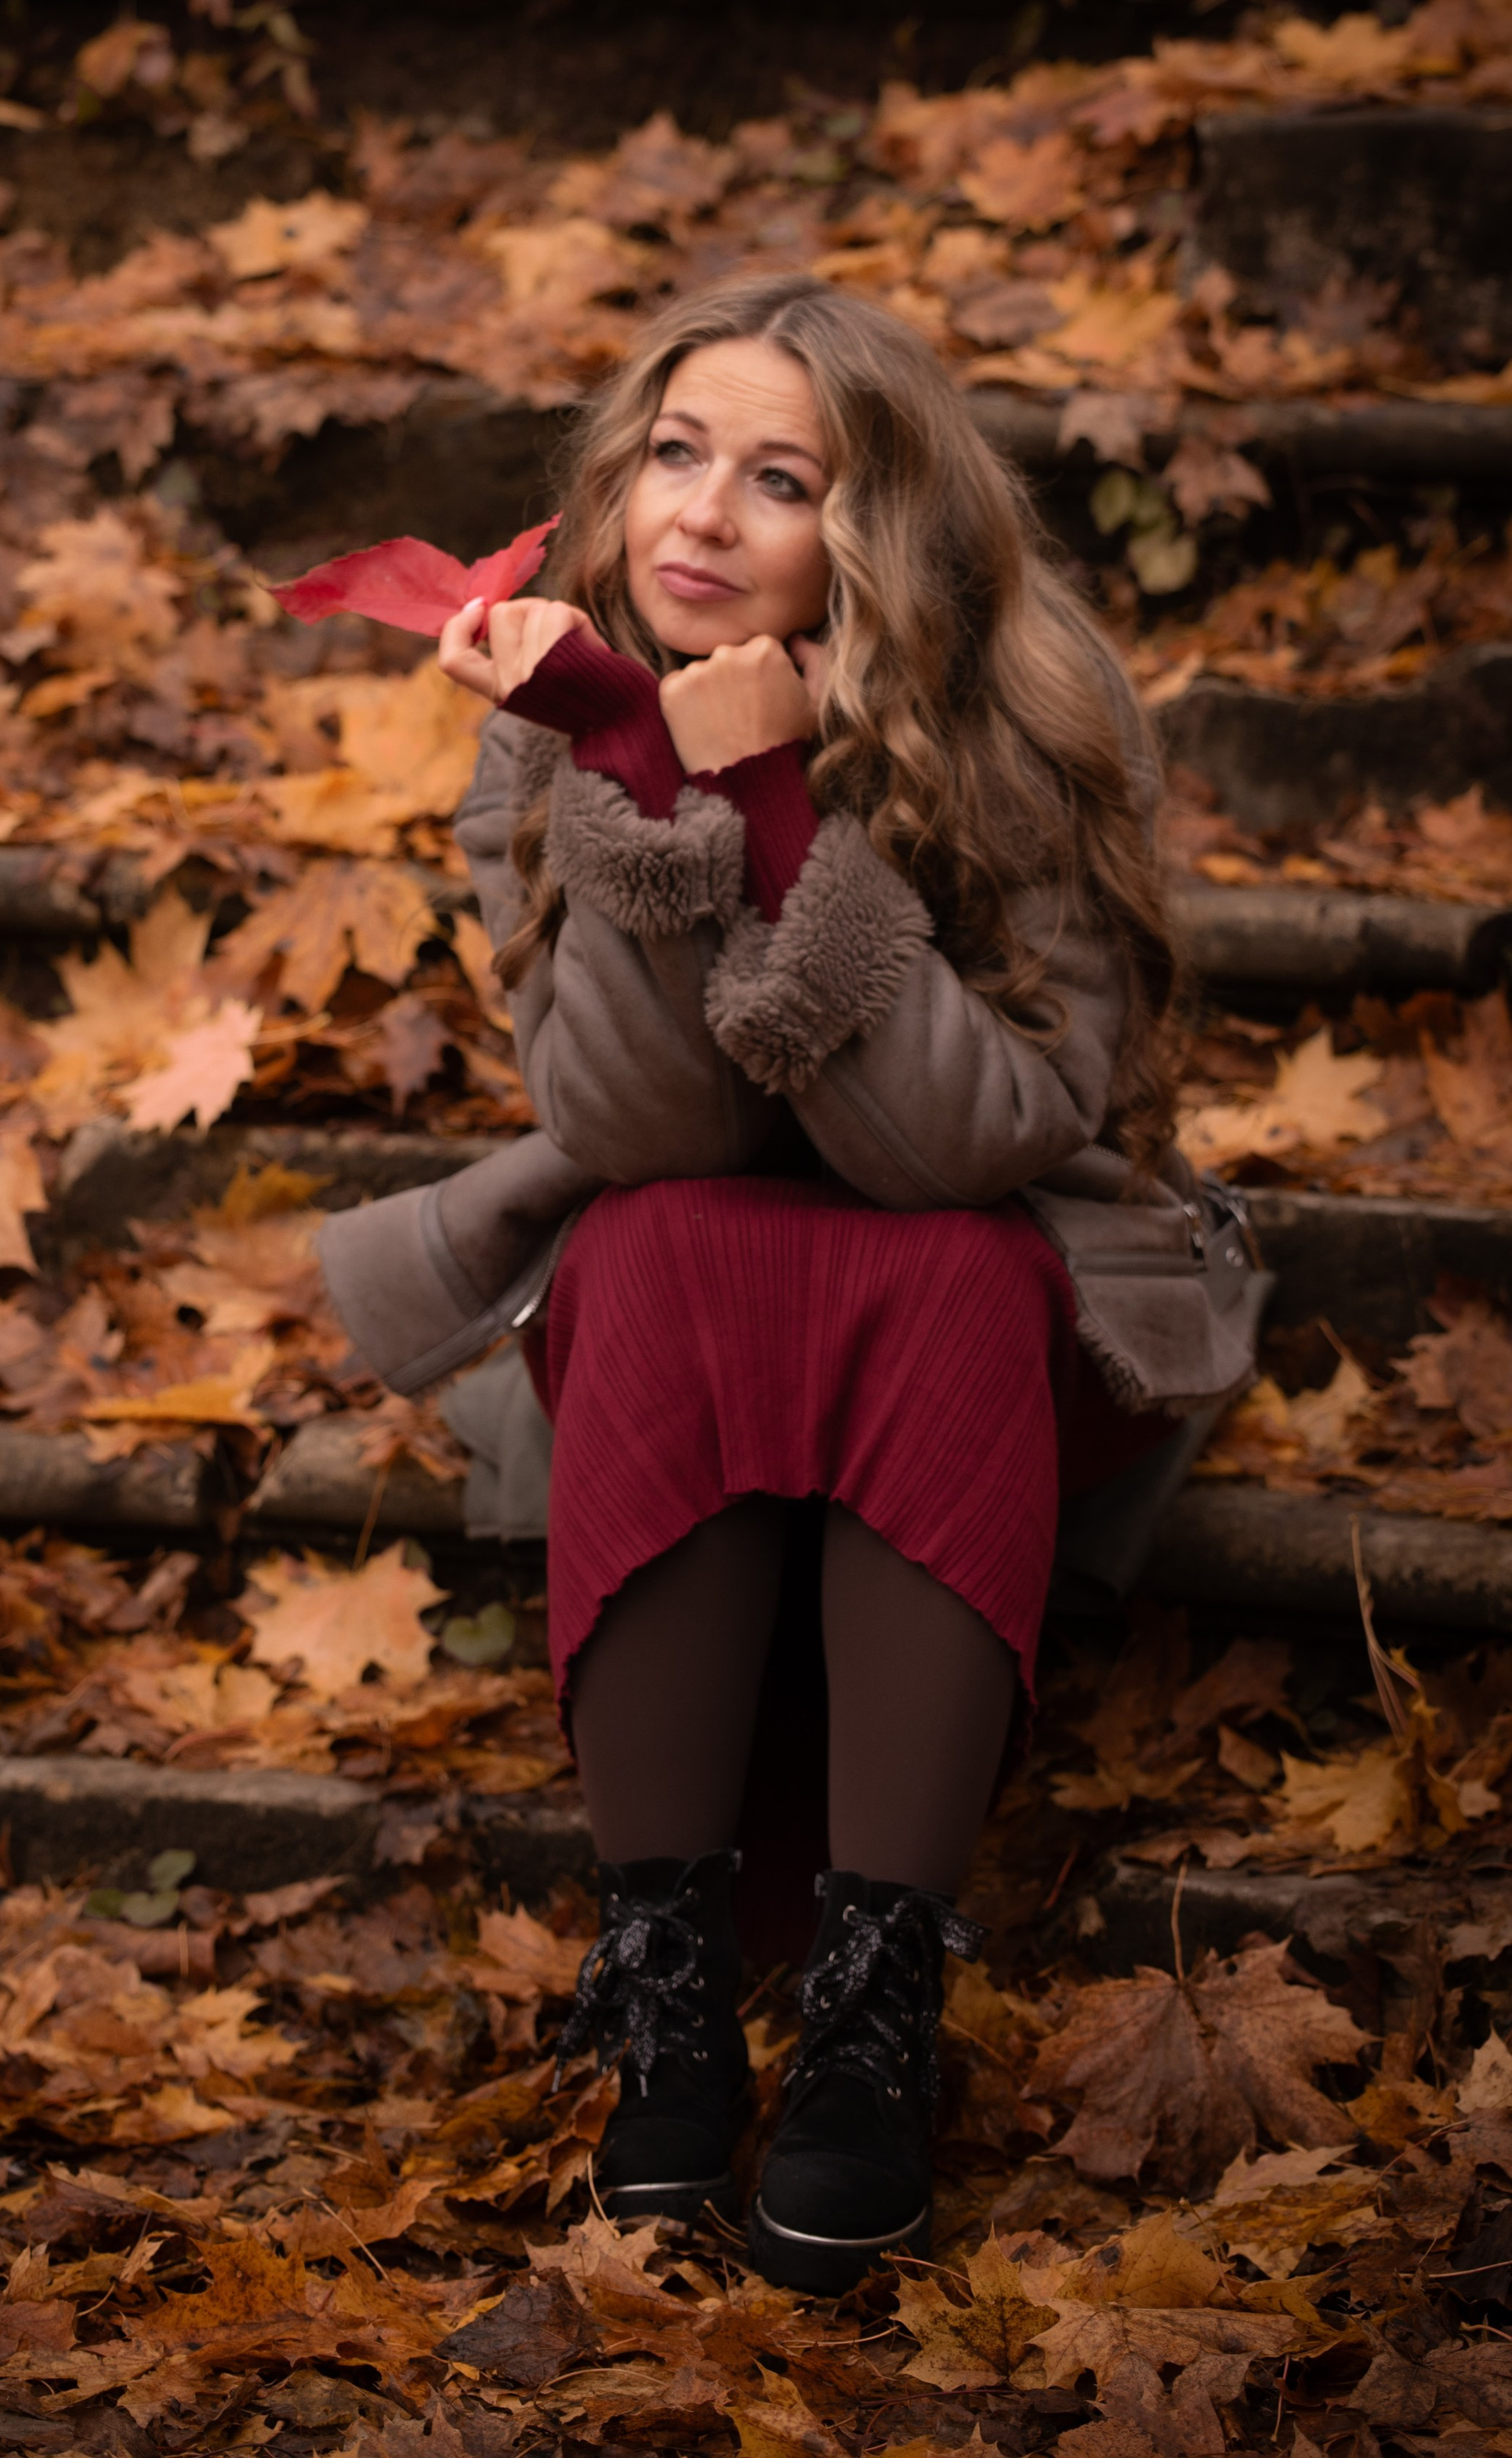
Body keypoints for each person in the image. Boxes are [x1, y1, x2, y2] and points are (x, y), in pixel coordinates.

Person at [317, 274, 1259, 2295]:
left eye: (780, 478)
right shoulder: (561, 719)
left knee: (918, 1273)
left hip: (1011, 1294)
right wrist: (647, 786)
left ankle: (869, 2019)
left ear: (885, 526)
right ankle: (663, 1995)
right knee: (653, 1239)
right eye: (674, 455)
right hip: (700, 1284)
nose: (700, 517)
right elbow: (646, 1133)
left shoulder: (1027, 716)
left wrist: (774, 803)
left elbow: (960, 1150)